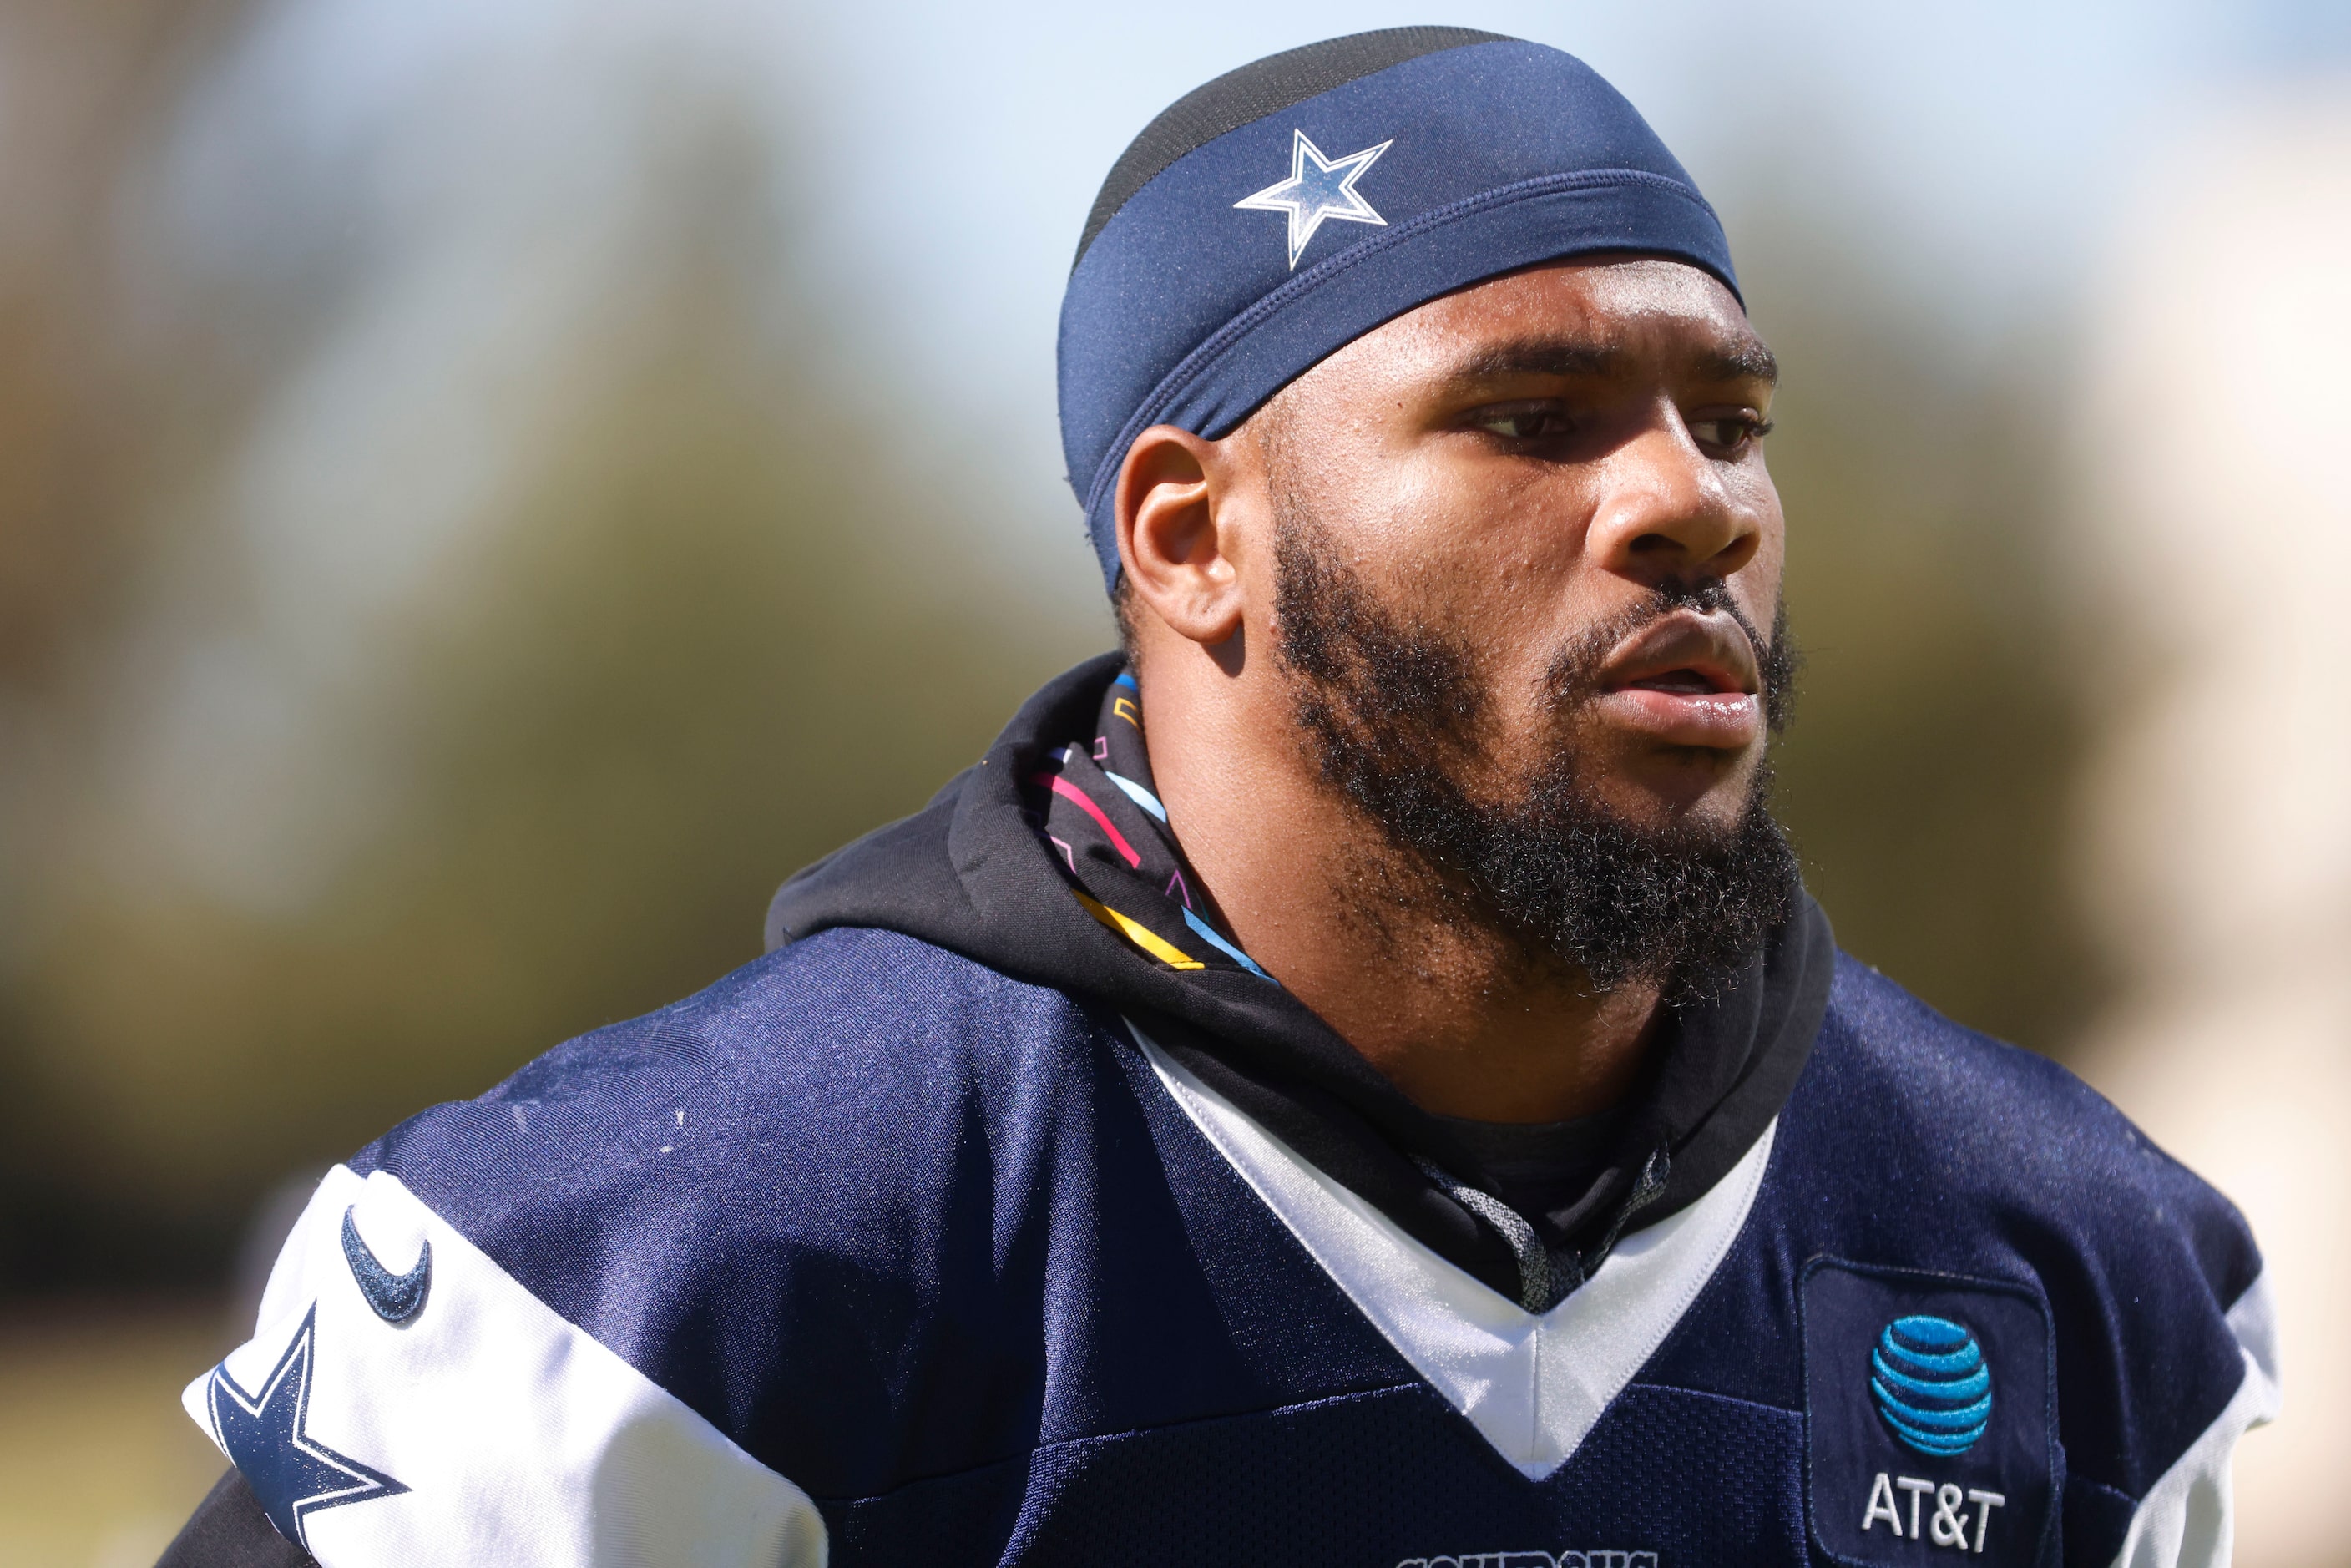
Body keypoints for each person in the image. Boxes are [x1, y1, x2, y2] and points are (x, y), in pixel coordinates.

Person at [158, 27, 2272, 1568]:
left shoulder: (2075, 1261)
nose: (1685, 504)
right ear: (1189, 538)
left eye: (1728, 419)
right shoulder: (664, 1263)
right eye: (1533, 415)